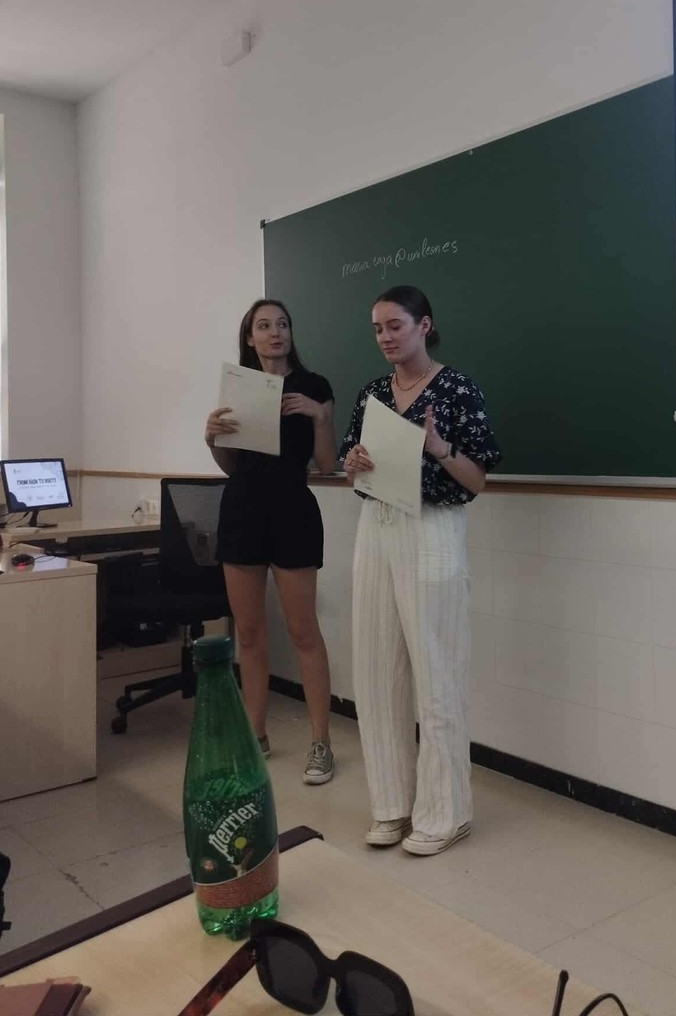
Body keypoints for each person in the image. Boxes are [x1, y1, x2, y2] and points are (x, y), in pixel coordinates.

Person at [340, 284, 501, 855]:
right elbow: (353, 468)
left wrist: (438, 449)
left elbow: (476, 481)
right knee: (377, 672)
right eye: (377, 328)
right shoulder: (371, 393)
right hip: (376, 526)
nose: (384, 337)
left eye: (395, 326)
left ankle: (446, 812)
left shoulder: (457, 389)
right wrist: (353, 462)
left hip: (431, 529)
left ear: (424, 325)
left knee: (436, 673)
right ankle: (392, 806)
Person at [205, 299, 337, 784]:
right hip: (242, 512)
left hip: (293, 511)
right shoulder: (239, 387)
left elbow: (327, 464)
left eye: (282, 324)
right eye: (264, 326)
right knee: (249, 632)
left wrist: (319, 417)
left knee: (304, 631)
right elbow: (232, 466)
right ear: (250, 337)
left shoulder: (314, 386)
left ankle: (321, 743)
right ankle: (255, 734)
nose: (275, 332)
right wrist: (211, 438)